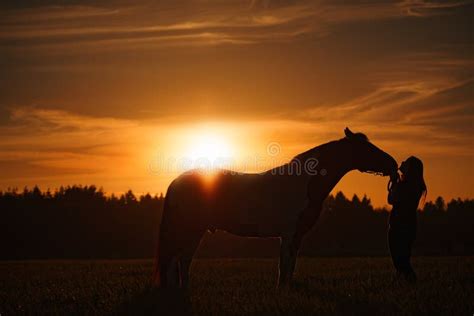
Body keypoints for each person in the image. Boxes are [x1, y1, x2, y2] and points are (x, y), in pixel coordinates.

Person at [387, 156, 427, 282]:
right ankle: (403, 283)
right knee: (402, 260)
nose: (402, 162)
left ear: (410, 169)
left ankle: (411, 282)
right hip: (407, 226)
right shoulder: (414, 186)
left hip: (400, 227)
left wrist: (394, 182)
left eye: (406, 163)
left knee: (401, 262)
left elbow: (391, 199)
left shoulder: (407, 186)